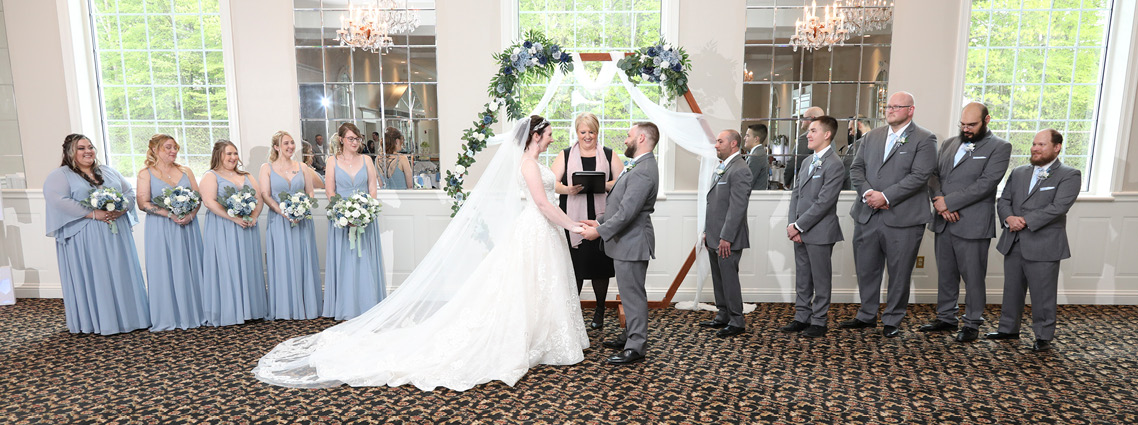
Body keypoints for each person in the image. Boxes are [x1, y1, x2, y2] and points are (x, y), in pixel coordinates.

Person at [253, 116, 589, 391]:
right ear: (535, 136)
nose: (550, 138)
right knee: (528, 283)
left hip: (542, 230)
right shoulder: (529, 165)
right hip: (536, 226)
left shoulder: (534, 162)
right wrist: (573, 225)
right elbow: (543, 204)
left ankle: (546, 337)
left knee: (538, 284)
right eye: (547, 134)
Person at [841, 91, 937, 338]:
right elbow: (856, 169)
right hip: (867, 214)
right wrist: (869, 193)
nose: (891, 110)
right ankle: (866, 315)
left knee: (899, 272)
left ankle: (893, 319)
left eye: (897, 106)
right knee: (866, 269)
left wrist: (886, 197)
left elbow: (919, 176)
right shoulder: (871, 136)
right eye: (889, 106)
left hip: (903, 218)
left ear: (911, 110)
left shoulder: (925, 139)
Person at [918, 102, 1011, 342]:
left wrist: (949, 203)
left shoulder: (1000, 147)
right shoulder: (949, 143)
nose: (966, 129)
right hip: (944, 220)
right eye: (963, 124)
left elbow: (986, 183)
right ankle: (946, 317)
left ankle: (972, 323)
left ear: (987, 120)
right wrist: (939, 200)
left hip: (972, 223)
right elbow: (934, 174)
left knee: (973, 276)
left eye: (972, 124)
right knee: (946, 273)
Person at [44, 134, 150, 335]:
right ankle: (101, 321)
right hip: (85, 235)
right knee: (98, 274)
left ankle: (130, 317)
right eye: (81, 148)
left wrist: (119, 210)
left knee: (120, 272)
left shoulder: (108, 171)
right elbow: (58, 200)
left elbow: (128, 193)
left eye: (90, 147)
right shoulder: (60, 175)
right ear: (70, 153)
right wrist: (93, 213)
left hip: (116, 234)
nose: (88, 151)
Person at [986, 129, 1080, 352]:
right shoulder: (1019, 172)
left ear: (1057, 147)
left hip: (1044, 243)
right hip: (1014, 240)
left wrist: (1025, 220)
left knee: (1043, 294)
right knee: (1012, 289)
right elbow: (1004, 199)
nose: (1035, 148)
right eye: (1034, 144)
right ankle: (1008, 329)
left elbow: (1059, 207)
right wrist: (1008, 218)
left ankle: (1043, 336)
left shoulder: (1069, 174)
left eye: (1041, 145)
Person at [581, 122, 660, 365]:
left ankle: (636, 347)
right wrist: (598, 221)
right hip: (627, 241)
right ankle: (630, 336)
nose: (625, 140)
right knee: (628, 293)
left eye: (629, 136)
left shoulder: (645, 169)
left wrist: (599, 232)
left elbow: (627, 213)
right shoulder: (638, 165)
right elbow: (620, 204)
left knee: (633, 295)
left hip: (633, 242)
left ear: (643, 138)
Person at [552, 112, 621, 330]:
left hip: (601, 220)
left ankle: (600, 310)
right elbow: (552, 183)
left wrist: (606, 185)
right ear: (577, 132)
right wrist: (568, 189)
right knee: (575, 268)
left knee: (600, 268)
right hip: (573, 219)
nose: (587, 136)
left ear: (597, 132)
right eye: (583, 132)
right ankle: (574, 313)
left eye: (591, 132)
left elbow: (623, 181)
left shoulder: (609, 154)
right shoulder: (565, 155)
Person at [782, 116, 845, 338]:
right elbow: (796, 195)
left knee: (820, 278)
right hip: (799, 230)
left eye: (813, 131)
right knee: (803, 276)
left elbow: (824, 203)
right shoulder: (808, 162)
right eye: (809, 131)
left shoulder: (835, 164)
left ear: (827, 134)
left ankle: (819, 320)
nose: (808, 135)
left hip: (820, 231)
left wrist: (799, 225)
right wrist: (792, 224)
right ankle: (801, 317)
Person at [136, 133, 206, 331]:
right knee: (164, 267)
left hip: (187, 227)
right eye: (168, 147)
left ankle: (195, 312)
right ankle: (169, 315)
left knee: (189, 266)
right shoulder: (145, 173)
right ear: (155, 149)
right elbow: (143, 203)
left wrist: (190, 215)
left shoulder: (186, 171)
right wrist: (170, 215)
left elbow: (197, 197)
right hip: (161, 228)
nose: (173, 151)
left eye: (175, 147)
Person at [199, 140, 267, 326]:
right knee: (227, 265)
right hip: (223, 227)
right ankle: (230, 310)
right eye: (229, 154)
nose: (233, 157)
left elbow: (259, 198)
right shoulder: (211, 176)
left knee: (246, 264)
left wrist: (253, 216)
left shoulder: (246, 175)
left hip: (246, 228)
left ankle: (250, 310)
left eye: (235, 153)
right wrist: (234, 219)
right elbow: (209, 202)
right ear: (219, 155)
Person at [323, 123, 386, 320]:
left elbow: (372, 188)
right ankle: (346, 306)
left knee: (364, 259)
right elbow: (330, 191)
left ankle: (368, 304)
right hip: (341, 221)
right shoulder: (332, 161)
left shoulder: (366, 159)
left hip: (365, 219)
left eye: (357, 139)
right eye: (351, 138)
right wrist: (343, 215)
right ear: (341, 139)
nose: (355, 142)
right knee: (345, 261)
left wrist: (365, 212)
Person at [259, 131, 322, 320]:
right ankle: (285, 307)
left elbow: (310, 192)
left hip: (302, 222)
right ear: (276, 147)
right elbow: (265, 194)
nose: (290, 147)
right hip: (278, 221)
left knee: (303, 259)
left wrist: (302, 209)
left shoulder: (302, 166)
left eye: (292, 143)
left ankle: (306, 305)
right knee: (283, 260)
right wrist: (283, 212)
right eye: (285, 143)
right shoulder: (266, 168)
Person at [697, 129, 752, 338]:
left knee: (729, 279)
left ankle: (737, 320)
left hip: (728, 238)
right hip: (714, 235)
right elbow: (714, 204)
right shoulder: (723, 167)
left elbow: (737, 208)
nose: (716, 145)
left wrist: (726, 237)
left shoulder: (740, 170)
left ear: (734, 144)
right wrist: (706, 232)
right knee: (719, 278)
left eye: (720, 142)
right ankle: (722, 314)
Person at [784, 107, 823, 189]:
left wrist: (786, 181)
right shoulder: (828, 137)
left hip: (803, 184)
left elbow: (793, 162)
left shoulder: (806, 137)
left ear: (811, 118)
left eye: (803, 118)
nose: (801, 121)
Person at [744, 124, 770, 190]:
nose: (744, 138)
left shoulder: (756, 156)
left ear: (756, 139)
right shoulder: (758, 153)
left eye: (747, 136)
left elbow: (748, 181)